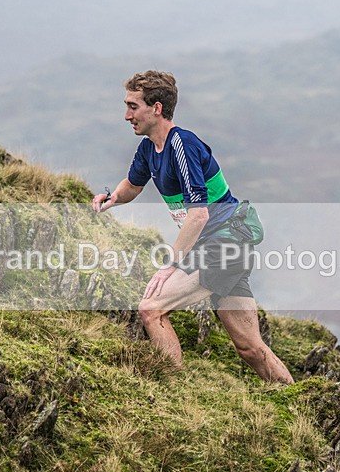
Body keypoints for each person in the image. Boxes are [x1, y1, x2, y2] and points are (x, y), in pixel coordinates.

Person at [92, 70, 293, 384]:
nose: (126, 115)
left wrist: (169, 266)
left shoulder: (182, 146)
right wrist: (113, 197)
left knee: (151, 308)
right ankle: (293, 404)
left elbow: (198, 216)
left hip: (227, 241)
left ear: (156, 108)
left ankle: (173, 394)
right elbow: (133, 185)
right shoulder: (149, 149)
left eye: (133, 106)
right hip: (217, 245)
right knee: (250, 347)